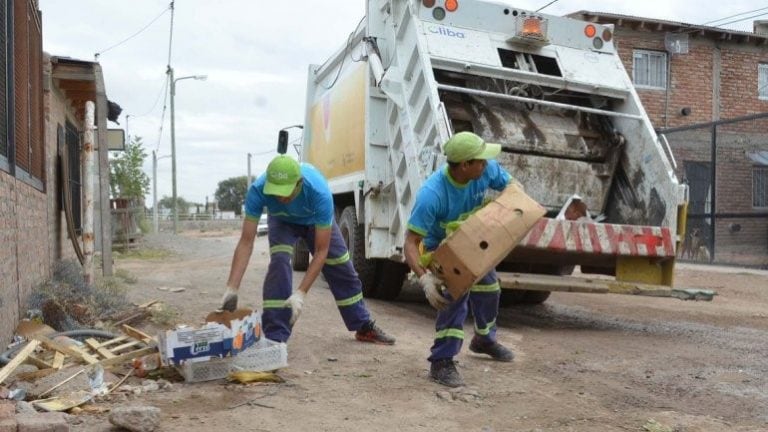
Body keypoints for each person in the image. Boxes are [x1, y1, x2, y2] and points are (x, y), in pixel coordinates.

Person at [220, 154, 395, 345]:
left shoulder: (319, 192)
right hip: (282, 221)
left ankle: (363, 327)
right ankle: (275, 338)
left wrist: (300, 294)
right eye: (276, 192)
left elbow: (321, 251)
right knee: (279, 263)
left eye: (286, 192)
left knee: (341, 266)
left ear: (299, 183)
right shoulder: (258, 190)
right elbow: (246, 242)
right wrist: (232, 287)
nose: (280, 197)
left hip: (314, 222)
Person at [404, 131, 516, 388]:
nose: (487, 164)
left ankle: (484, 340)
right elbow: (410, 243)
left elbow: (510, 185)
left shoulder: (485, 171)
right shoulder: (432, 194)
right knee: (453, 298)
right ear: (465, 165)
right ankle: (441, 361)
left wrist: (515, 195)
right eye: (481, 160)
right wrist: (425, 279)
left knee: (490, 288)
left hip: (472, 238)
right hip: (441, 246)